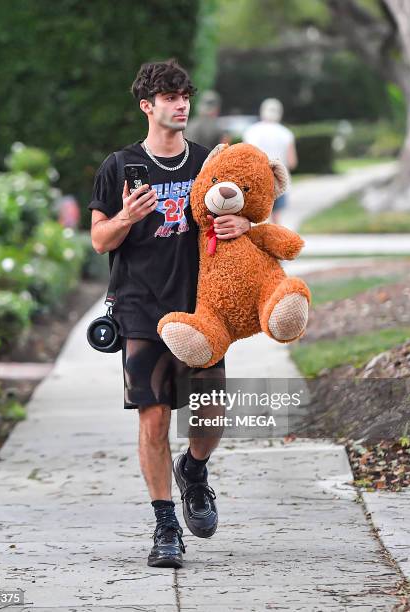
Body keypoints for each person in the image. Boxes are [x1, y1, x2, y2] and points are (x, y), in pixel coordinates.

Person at [88, 59, 251, 568]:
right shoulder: (117, 166)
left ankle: (195, 471)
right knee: (153, 421)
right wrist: (125, 218)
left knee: (209, 416)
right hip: (141, 309)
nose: (181, 104)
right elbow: (98, 240)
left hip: (201, 310)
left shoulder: (209, 163)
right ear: (147, 105)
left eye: (184, 95)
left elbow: (244, 209)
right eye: (170, 96)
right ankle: (164, 525)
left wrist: (242, 224)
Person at [243, 98, 298, 224]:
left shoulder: (251, 131)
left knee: (257, 220)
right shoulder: (287, 133)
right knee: (276, 220)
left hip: (256, 180)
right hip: (279, 181)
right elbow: (292, 162)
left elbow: (245, 157)